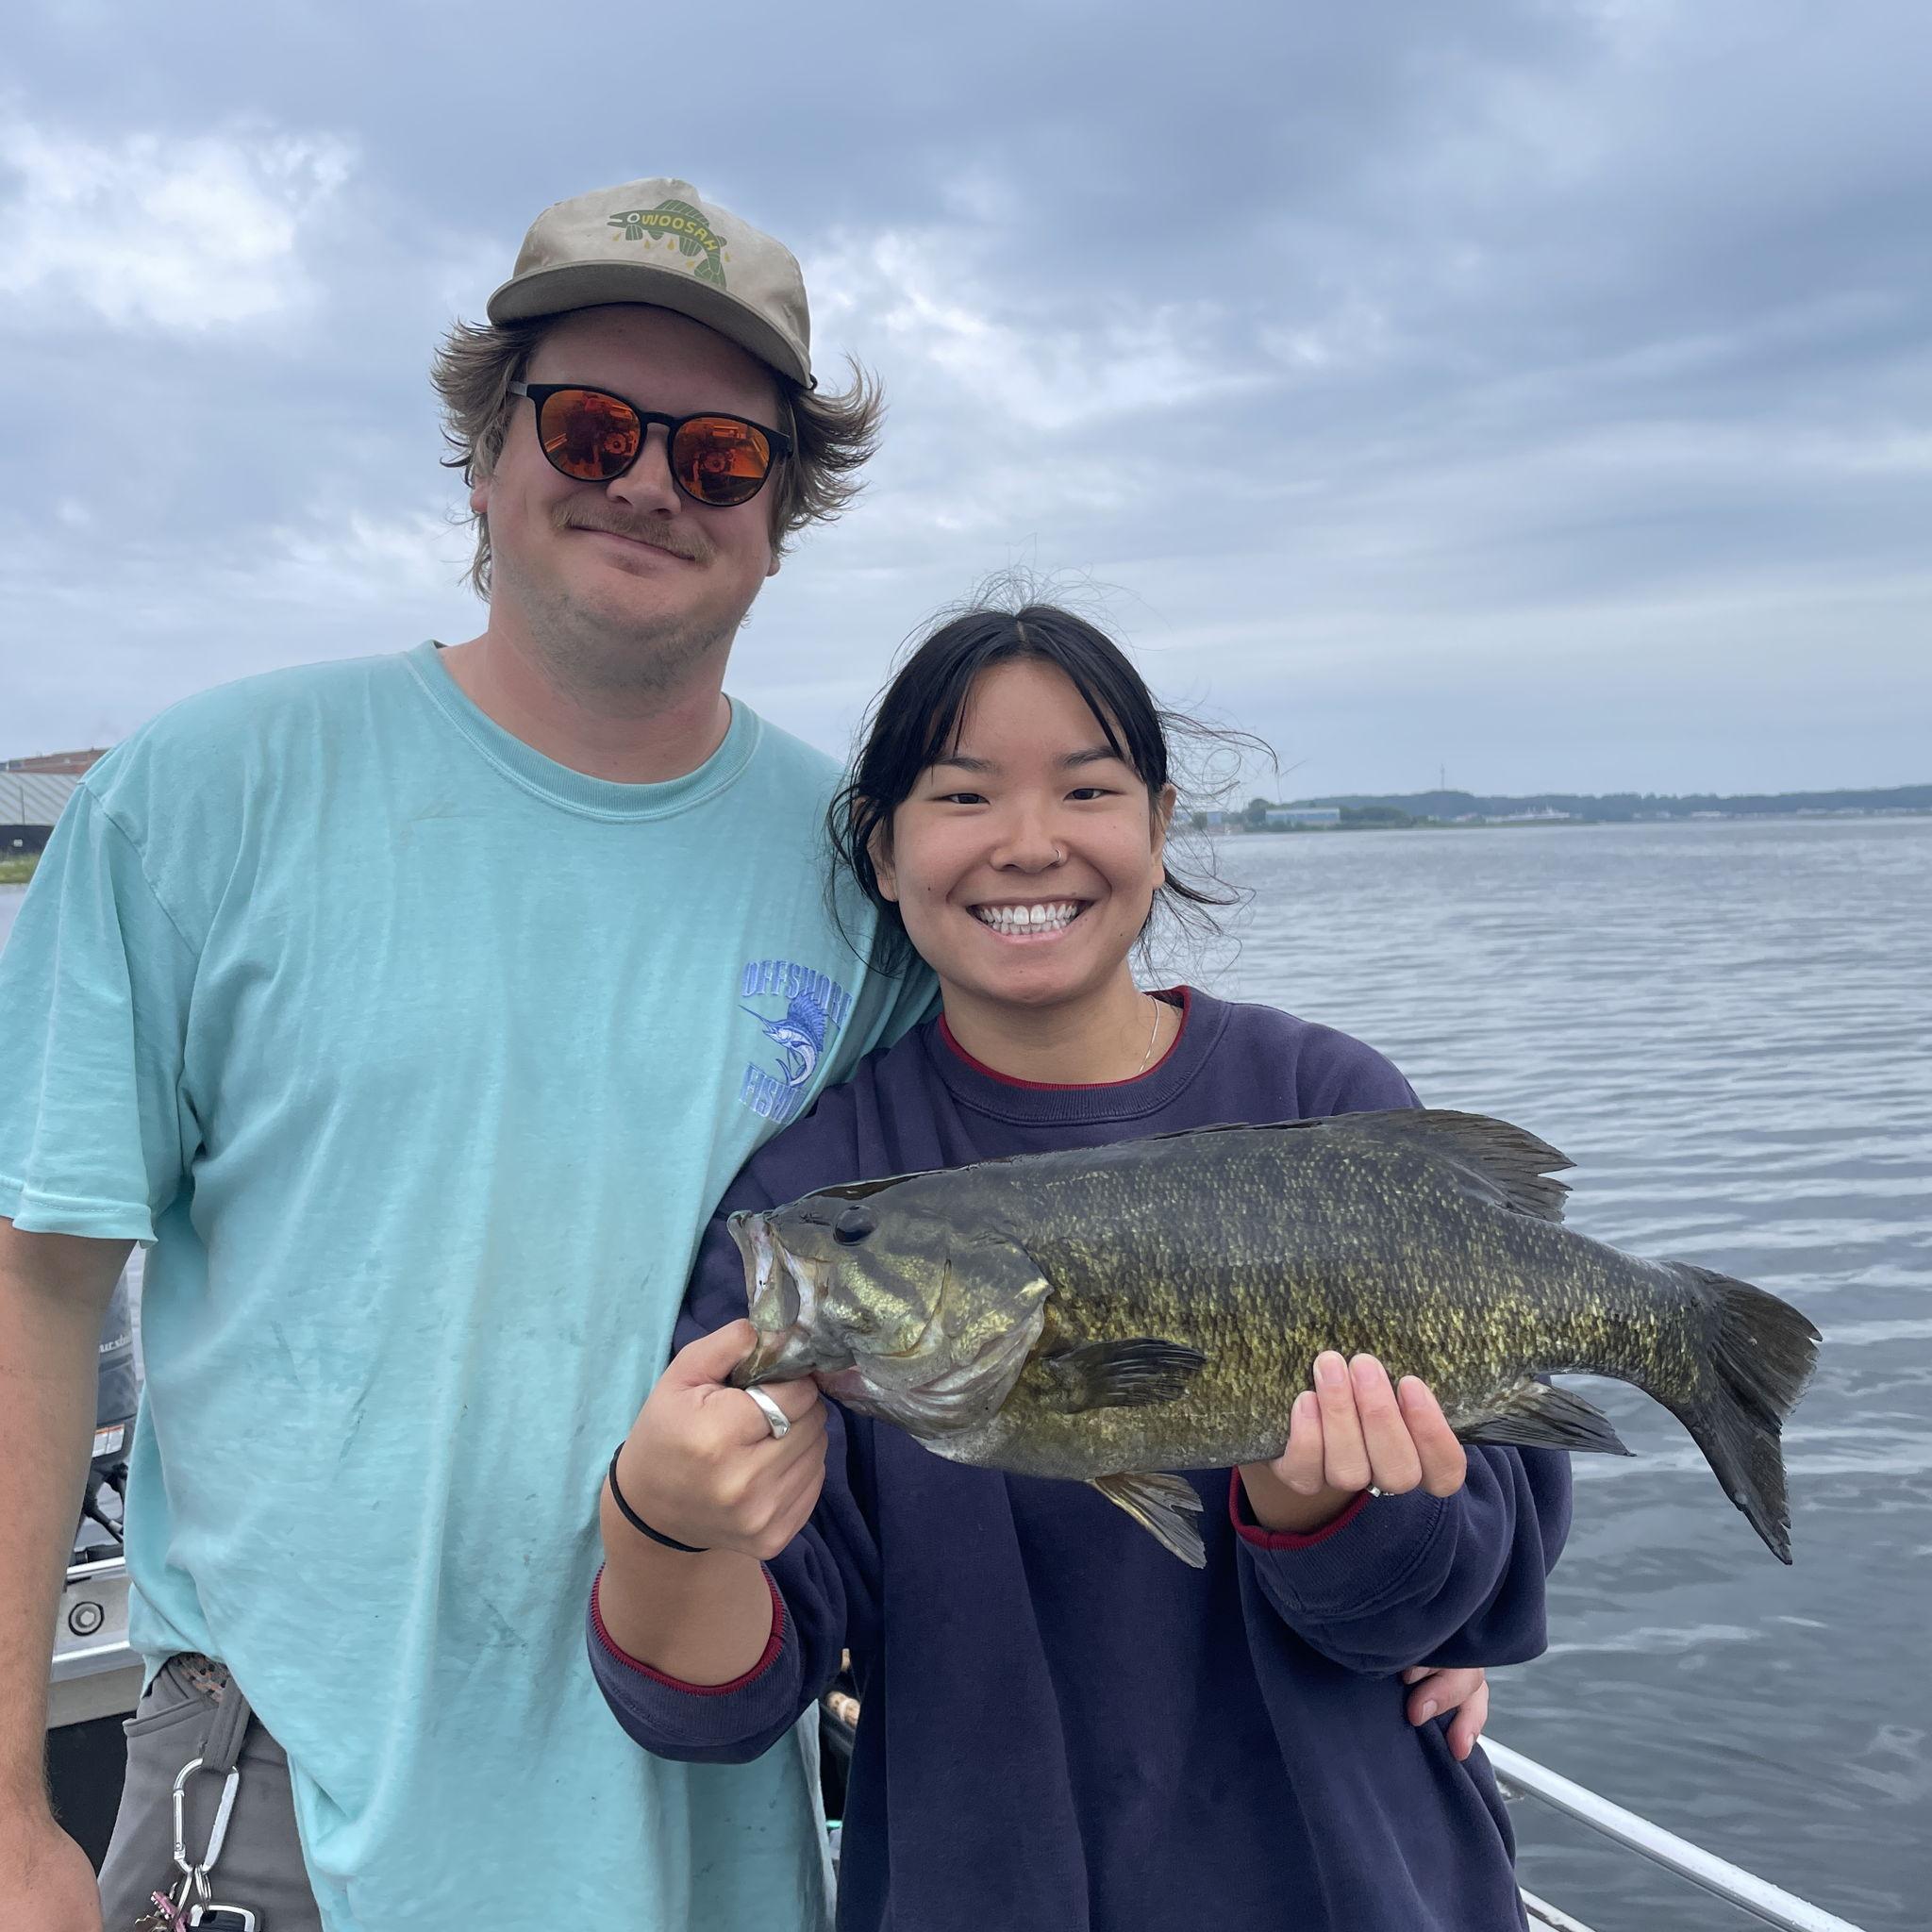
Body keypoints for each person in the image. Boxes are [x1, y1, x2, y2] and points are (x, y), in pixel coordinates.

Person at [0, 177, 935, 1932]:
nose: (650, 481)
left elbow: (1029, 1271)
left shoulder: (864, 872)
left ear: (783, 516)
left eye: (723, 455)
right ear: (484, 457)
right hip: (279, 1797)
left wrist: (1354, 1624)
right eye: (591, 426)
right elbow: (34, 1288)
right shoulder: (206, 795)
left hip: (711, 1796)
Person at [591, 604, 1571, 1932]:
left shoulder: (1323, 1099)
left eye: (1089, 789)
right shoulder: (813, 1203)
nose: (1030, 840)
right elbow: (733, 1699)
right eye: (964, 795)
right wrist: (666, 1527)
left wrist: (1321, 1512)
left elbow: (1465, 1591)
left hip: (1362, 1886)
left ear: (1161, 828)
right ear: (883, 849)